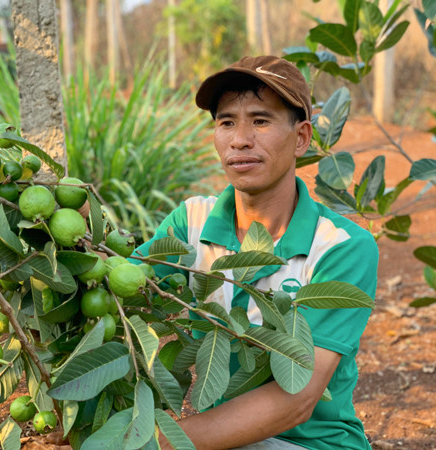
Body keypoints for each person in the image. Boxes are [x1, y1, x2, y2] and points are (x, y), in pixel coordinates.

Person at [135, 55, 379, 449]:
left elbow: (295, 399)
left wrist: (150, 442)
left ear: (301, 138)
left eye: (260, 121)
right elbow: (126, 290)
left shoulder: (342, 246)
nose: (239, 139)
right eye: (226, 122)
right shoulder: (190, 223)